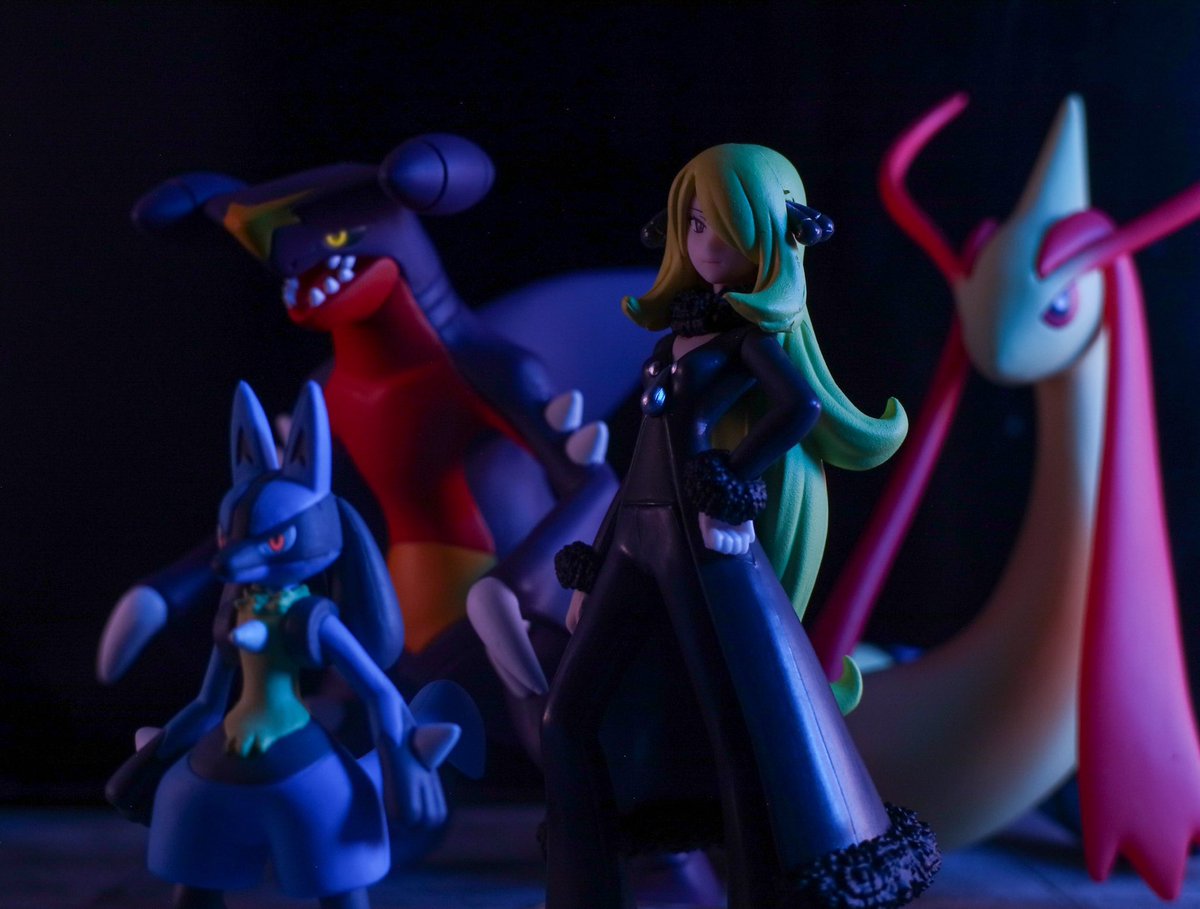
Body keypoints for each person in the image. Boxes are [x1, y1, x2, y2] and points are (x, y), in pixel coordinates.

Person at [541, 144, 937, 909]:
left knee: (734, 729)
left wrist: (731, 484)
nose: (704, 243)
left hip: (695, 541)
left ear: (770, 232)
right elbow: (641, 459)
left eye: (723, 224)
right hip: (635, 534)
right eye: (694, 223)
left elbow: (801, 408)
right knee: (568, 712)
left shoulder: (748, 339)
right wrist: (594, 563)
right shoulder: (674, 337)